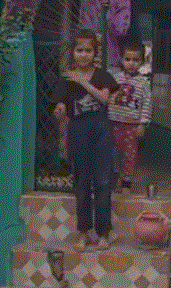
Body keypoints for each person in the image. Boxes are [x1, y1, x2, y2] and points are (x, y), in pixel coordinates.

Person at [53, 29, 120, 251]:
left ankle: (104, 233)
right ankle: (83, 233)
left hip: (101, 131)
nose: (83, 54)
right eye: (79, 50)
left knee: (102, 182)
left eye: (88, 50)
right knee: (81, 183)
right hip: (79, 131)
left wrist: (83, 82)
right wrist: (60, 110)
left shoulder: (102, 76)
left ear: (95, 53)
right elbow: (61, 104)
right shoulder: (66, 79)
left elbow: (104, 99)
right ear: (73, 52)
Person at [108, 41, 152, 199]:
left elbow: (147, 104)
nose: (131, 63)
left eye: (136, 60)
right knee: (111, 152)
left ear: (142, 62)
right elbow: (107, 96)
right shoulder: (114, 78)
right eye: (128, 59)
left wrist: (142, 124)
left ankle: (126, 183)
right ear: (122, 60)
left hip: (132, 125)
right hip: (113, 122)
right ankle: (112, 180)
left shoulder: (144, 83)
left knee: (129, 154)